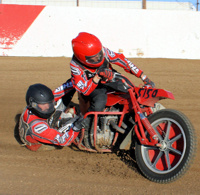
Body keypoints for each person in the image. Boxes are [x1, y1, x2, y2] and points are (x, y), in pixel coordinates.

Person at [70, 32, 155, 129]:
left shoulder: (103, 51)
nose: (98, 57)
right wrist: (97, 77)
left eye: (99, 53)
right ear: (82, 58)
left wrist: (143, 76)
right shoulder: (75, 66)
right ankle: (83, 124)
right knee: (99, 102)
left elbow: (123, 61)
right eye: (94, 57)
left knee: (131, 89)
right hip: (93, 86)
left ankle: (131, 117)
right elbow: (84, 90)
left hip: (109, 78)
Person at [18, 81, 83, 152]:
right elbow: (63, 141)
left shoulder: (37, 103)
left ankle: (64, 118)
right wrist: (76, 127)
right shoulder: (37, 127)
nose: (48, 107)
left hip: (44, 123)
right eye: (44, 105)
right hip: (43, 143)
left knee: (67, 93)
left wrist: (76, 81)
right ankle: (63, 122)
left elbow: (62, 90)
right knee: (79, 122)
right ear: (33, 105)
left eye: (50, 103)